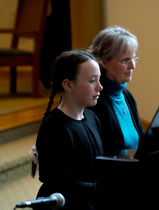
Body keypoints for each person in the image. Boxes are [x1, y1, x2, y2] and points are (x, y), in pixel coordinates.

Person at [35, 50, 104, 210]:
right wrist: (101, 190)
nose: (100, 87)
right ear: (68, 85)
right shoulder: (54, 127)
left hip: (91, 199)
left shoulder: (92, 117)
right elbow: (59, 182)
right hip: (68, 204)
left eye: (99, 80)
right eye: (92, 80)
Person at [87, 26, 145, 155]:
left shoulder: (126, 95)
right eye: (125, 61)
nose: (133, 66)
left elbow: (143, 142)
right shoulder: (95, 99)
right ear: (103, 61)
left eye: (133, 59)